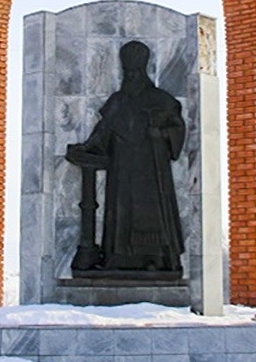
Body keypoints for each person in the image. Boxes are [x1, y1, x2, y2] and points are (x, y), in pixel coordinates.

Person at [67, 40, 185, 275]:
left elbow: (177, 130)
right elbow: (103, 131)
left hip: (152, 169)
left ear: (143, 69)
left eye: (135, 71)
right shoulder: (118, 101)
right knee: (120, 212)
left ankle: (158, 260)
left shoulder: (162, 100)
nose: (131, 75)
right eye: (128, 71)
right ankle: (117, 257)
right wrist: (87, 147)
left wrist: (159, 132)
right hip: (123, 167)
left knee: (153, 213)